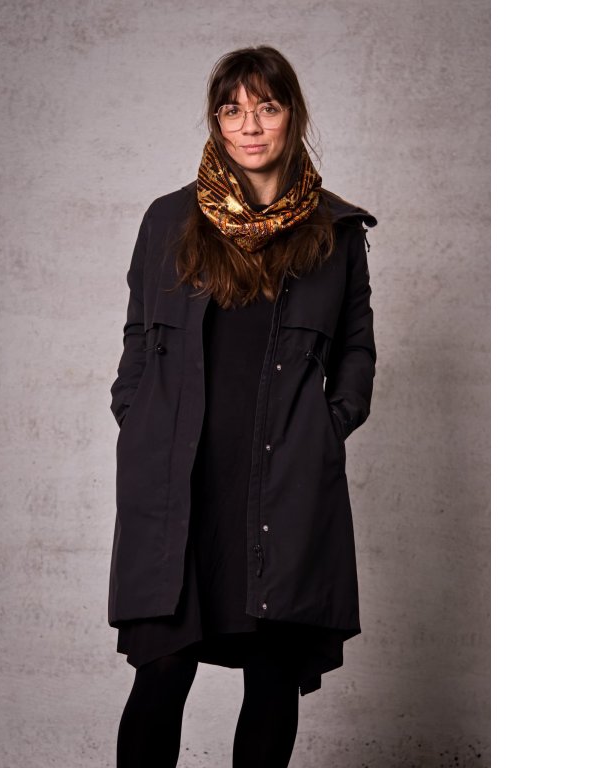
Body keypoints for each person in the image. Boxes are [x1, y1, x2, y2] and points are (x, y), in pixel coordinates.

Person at [108, 45, 377, 768]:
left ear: (292, 115)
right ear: (216, 121)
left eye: (267, 106)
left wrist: (330, 425)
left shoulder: (335, 231)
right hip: (178, 484)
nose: (250, 125)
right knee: (162, 672)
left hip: (285, 485)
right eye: (232, 109)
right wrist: (134, 413)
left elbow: (357, 348)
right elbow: (137, 335)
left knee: (272, 677)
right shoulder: (168, 220)